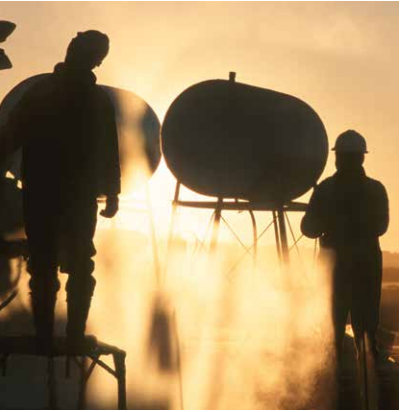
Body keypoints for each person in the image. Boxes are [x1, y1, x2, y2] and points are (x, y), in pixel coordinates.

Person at [1, 30, 121, 351]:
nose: (79, 53)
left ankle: (62, 336)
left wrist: (112, 193)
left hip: (61, 195)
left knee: (66, 263)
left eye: (86, 51)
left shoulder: (58, 95)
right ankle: (57, 336)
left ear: (95, 59)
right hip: (55, 194)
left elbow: (109, 149)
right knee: (55, 263)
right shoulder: (57, 95)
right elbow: (11, 137)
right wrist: (112, 193)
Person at [301, 130, 389, 362]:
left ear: (338, 157)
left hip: (338, 268)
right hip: (365, 267)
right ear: (362, 157)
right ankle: (368, 383)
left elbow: (308, 229)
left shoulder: (325, 191)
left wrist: (330, 221)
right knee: (366, 332)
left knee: (334, 333)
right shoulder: (375, 190)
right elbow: (381, 226)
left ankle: (336, 382)